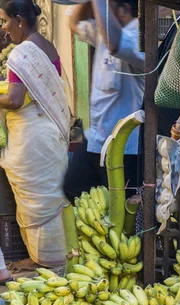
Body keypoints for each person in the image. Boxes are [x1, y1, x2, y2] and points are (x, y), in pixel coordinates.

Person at [0, 0, 69, 268]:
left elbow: (16, 100)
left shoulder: (21, 54)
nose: (5, 29)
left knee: (35, 201)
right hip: (49, 134)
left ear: (19, 20)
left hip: (33, 140)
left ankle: (44, 260)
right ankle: (47, 257)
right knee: (49, 197)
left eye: (5, 21)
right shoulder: (48, 47)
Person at [64, 0, 144, 202]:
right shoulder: (102, 34)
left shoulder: (138, 37)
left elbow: (116, 43)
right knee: (72, 188)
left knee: (123, 214)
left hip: (125, 150)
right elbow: (73, 23)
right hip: (97, 139)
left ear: (124, 9)